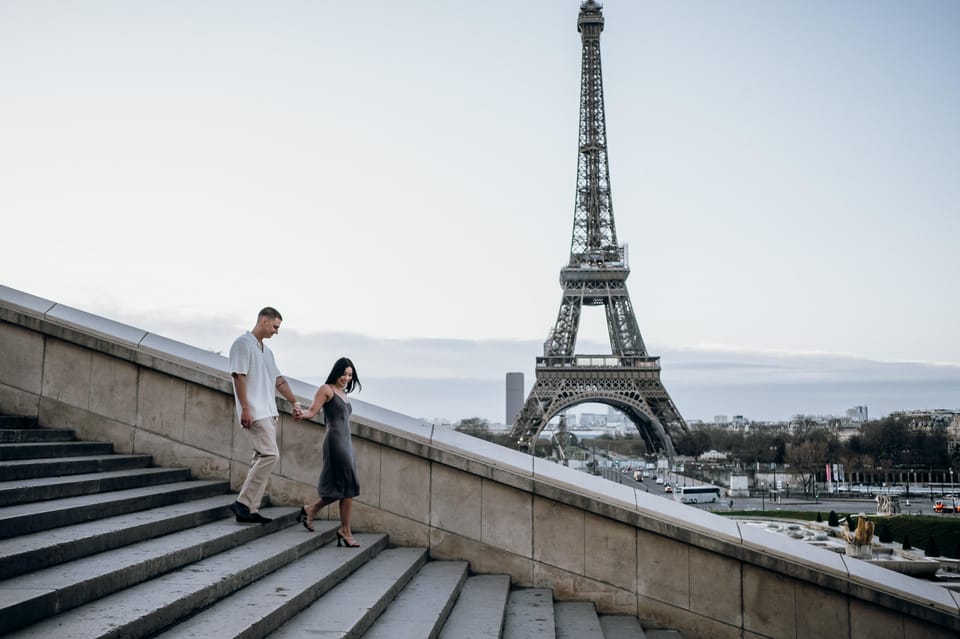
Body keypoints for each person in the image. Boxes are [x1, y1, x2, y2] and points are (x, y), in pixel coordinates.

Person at [228, 307, 301, 524]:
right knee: (270, 455)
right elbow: (238, 377)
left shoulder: (267, 352)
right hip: (255, 412)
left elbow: (279, 380)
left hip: (269, 412)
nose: (276, 332)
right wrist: (246, 408)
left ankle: (250, 509)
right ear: (263, 321)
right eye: (275, 326)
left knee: (260, 459)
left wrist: (295, 402)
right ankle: (242, 503)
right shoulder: (242, 344)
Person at [295, 356, 362, 547]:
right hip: (335, 442)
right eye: (344, 374)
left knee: (344, 486)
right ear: (336, 372)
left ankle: (311, 510)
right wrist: (302, 414)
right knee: (348, 485)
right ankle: (345, 530)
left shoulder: (343, 392)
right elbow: (312, 411)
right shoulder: (327, 389)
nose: (347, 378)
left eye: (350, 375)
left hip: (346, 442)